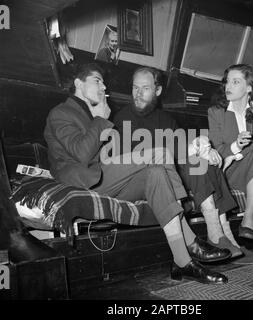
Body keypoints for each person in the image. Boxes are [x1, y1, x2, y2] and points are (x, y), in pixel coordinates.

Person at [44, 63, 230, 284]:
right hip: (86, 180)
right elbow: (82, 154)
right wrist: (101, 119)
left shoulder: (90, 112)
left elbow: (102, 154)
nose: (104, 86)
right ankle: (191, 240)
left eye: (104, 82)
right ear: (78, 83)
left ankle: (182, 262)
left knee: (157, 173)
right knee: (159, 154)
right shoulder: (61, 112)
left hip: (105, 175)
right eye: (97, 80)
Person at [113, 66, 243, 258]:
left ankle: (221, 234)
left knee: (201, 161)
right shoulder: (122, 117)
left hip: (171, 170)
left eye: (145, 88)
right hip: (149, 177)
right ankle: (218, 233)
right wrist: (191, 150)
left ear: (157, 91)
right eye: (135, 88)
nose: (138, 94)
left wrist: (202, 147)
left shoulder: (165, 118)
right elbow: (135, 159)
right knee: (195, 160)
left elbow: (180, 144)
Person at [208, 63, 253, 252]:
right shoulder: (216, 112)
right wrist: (236, 145)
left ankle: (251, 225)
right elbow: (216, 150)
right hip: (228, 171)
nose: (228, 86)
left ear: (249, 87)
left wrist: (244, 148)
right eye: (227, 82)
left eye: (235, 82)